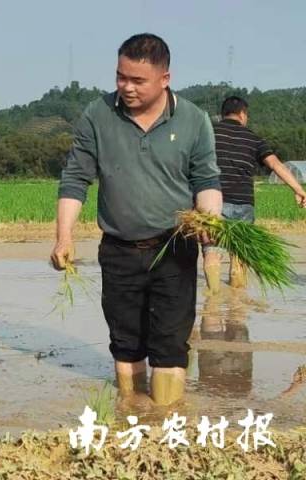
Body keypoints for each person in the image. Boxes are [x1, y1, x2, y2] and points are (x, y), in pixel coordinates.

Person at [51, 33, 222, 407]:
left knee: (170, 342)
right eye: (120, 77)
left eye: (137, 80)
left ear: (165, 78)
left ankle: (164, 424)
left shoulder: (193, 119)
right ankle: (130, 416)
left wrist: (210, 222)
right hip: (119, 250)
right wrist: (64, 237)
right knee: (125, 340)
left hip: (174, 248)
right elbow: (76, 178)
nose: (126, 87)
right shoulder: (97, 115)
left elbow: (206, 181)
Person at [203, 96, 306, 294]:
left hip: (214, 200)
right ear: (242, 114)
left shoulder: (208, 134)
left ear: (224, 114)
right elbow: (275, 164)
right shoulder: (253, 137)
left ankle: (213, 304)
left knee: (212, 251)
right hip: (244, 204)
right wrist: (298, 190)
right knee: (240, 255)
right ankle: (237, 304)